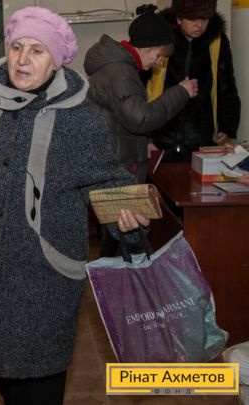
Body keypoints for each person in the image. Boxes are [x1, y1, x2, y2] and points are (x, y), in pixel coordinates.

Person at [0, 6, 149, 405]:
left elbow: (107, 180)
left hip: (44, 276)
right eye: (17, 47)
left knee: (39, 377)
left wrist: (129, 220)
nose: (23, 59)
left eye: (37, 50)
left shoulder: (80, 119)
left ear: (56, 61)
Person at [83, 4, 197, 257]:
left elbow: (121, 118)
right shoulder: (121, 71)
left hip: (112, 158)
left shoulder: (117, 67)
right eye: (158, 54)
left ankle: (114, 278)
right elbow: (140, 118)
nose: (158, 62)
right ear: (147, 46)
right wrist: (180, 93)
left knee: (119, 234)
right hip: (117, 165)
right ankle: (132, 281)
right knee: (130, 234)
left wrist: (142, 142)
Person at [149, 0, 241, 162]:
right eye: (193, 19)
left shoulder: (217, 41)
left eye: (204, 18)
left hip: (201, 138)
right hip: (160, 137)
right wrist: (143, 138)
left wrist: (227, 129)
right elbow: (139, 87)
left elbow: (226, 88)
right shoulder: (159, 38)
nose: (199, 25)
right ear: (179, 18)